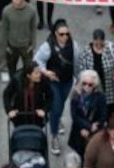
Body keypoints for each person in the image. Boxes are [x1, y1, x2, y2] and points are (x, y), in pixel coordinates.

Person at [34, 18, 80, 155]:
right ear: (55, 34)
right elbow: (37, 60)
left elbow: (77, 64)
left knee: (61, 105)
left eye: (67, 34)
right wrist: (46, 72)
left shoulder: (74, 45)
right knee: (56, 107)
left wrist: (79, 80)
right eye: (61, 34)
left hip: (67, 81)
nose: (65, 37)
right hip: (52, 82)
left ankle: (57, 119)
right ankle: (54, 135)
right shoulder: (47, 46)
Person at [76, 29, 114, 112]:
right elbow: (81, 69)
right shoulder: (86, 52)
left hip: (110, 87)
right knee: (95, 111)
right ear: (93, 40)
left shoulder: (111, 48)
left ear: (104, 40)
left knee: (111, 110)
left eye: (101, 42)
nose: (98, 45)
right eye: (96, 42)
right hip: (93, 88)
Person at [1, 0, 38, 85]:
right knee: (12, 71)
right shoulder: (7, 10)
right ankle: (13, 88)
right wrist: (6, 47)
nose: (14, 1)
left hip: (26, 47)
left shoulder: (31, 10)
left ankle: (26, 89)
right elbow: (4, 30)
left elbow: (33, 28)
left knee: (28, 71)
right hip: (11, 46)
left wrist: (33, 45)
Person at [3, 64, 50, 128]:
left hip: (37, 116)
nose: (39, 75)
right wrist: (10, 110)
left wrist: (44, 110)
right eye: (36, 73)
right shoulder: (17, 80)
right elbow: (6, 94)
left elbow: (50, 96)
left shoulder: (42, 80)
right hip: (20, 115)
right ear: (28, 76)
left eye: (39, 72)